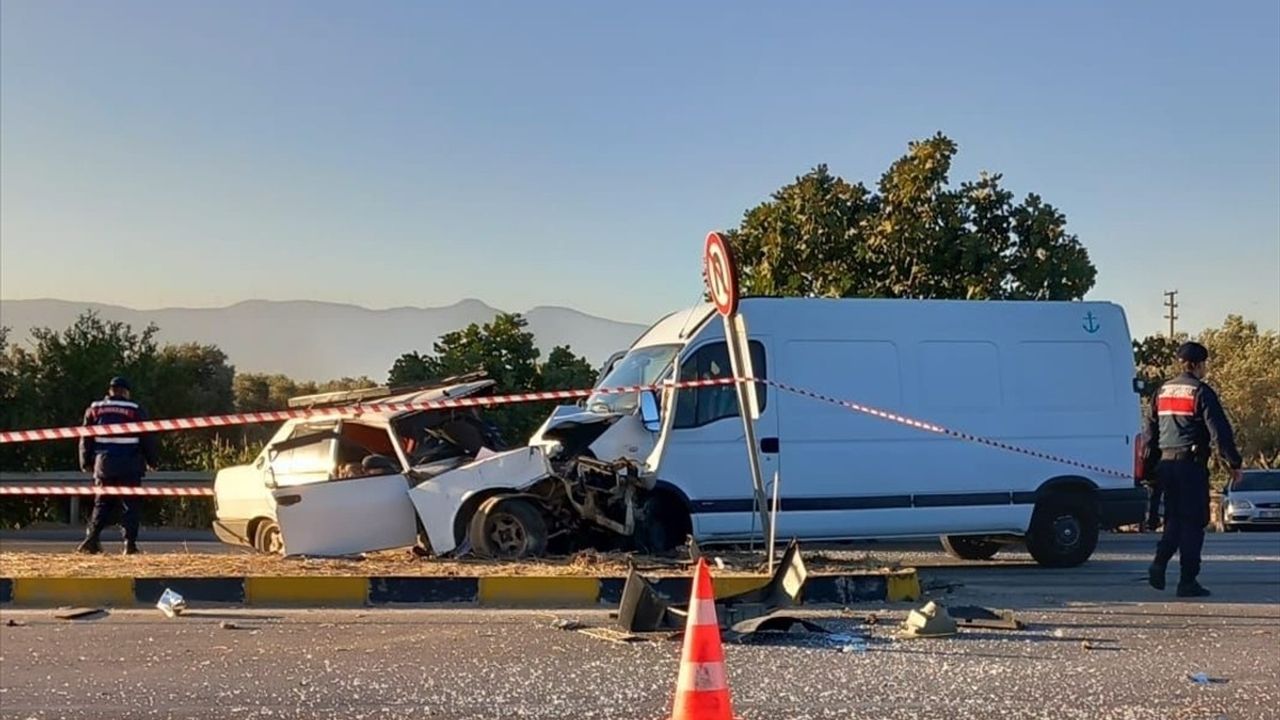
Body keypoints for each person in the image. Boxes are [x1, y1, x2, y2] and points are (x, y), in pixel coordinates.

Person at [1145, 342, 1243, 597]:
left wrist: (1148, 470)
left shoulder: (1161, 391)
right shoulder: (1200, 391)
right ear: (1199, 364)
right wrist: (1233, 463)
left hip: (1166, 465)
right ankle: (1187, 581)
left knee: (1174, 520)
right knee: (1192, 524)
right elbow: (1219, 433)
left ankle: (1159, 562)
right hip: (1190, 466)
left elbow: (1150, 435)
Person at [76, 376, 159, 555]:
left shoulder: (95, 408)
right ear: (126, 392)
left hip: (104, 464)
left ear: (110, 391)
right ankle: (129, 545)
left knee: (102, 503)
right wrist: (153, 461)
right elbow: (147, 438)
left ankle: (91, 541)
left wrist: (86, 462)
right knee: (130, 505)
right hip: (130, 464)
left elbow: (86, 437)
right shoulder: (135, 409)